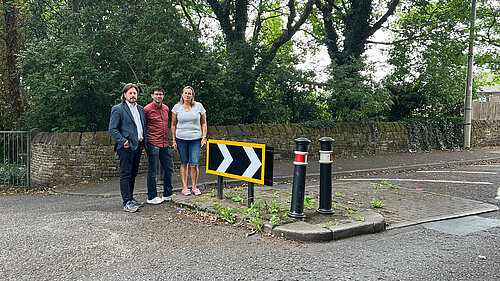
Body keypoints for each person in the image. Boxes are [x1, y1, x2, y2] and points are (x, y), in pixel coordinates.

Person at [109, 83, 147, 212]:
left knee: (133, 173)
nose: (133, 95)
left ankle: (131, 198)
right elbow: (112, 128)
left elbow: (141, 126)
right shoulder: (118, 109)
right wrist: (123, 141)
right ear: (125, 94)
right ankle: (126, 202)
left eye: (135, 93)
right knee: (126, 174)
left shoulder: (140, 109)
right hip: (125, 147)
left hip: (137, 146)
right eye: (130, 93)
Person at [171, 86, 207, 196]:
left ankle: (195, 186)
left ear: (192, 95)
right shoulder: (177, 107)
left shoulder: (199, 106)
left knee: (194, 164)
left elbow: (204, 123)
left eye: (190, 93)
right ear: (182, 94)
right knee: (184, 162)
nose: (187, 95)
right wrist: (173, 140)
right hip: (181, 139)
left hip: (195, 139)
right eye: (186, 93)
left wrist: (204, 137)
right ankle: (185, 187)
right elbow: (173, 124)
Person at [144, 86, 175, 204]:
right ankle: (151, 196)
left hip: (164, 143)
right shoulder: (147, 109)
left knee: (169, 168)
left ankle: (167, 193)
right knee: (152, 170)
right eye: (156, 94)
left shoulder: (166, 108)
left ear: (163, 96)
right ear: (152, 95)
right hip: (152, 143)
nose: (158, 96)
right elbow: (143, 126)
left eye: (160, 94)